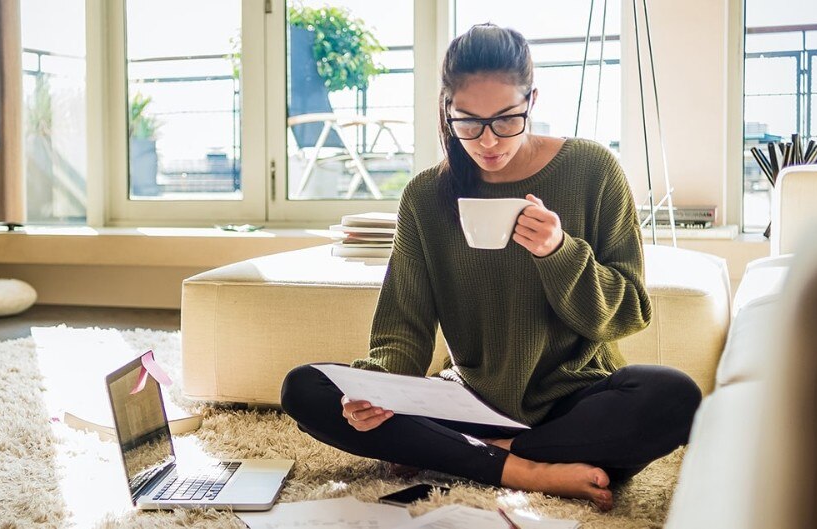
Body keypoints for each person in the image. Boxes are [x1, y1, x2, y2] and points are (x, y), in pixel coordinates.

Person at [279, 23, 702, 512]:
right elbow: (403, 328)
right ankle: (526, 468)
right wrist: (379, 391)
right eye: (468, 122)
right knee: (305, 388)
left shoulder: (592, 169)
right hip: (470, 406)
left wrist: (559, 251)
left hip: (574, 399)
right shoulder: (424, 196)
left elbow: (628, 312)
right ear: (447, 111)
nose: (487, 140)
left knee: (673, 396)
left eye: (506, 119)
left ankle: (465, 457)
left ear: (532, 101)